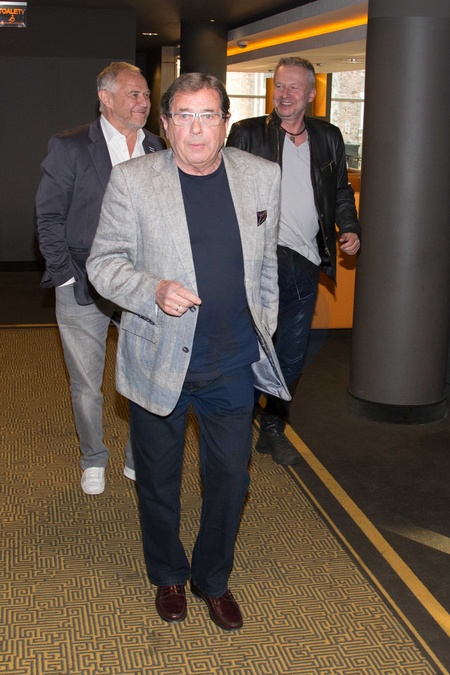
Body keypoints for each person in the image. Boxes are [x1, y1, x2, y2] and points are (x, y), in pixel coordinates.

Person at [86, 72, 288, 630]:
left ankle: (212, 579)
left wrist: (264, 324)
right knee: (158, 480)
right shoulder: (133, 181)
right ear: (166, 124)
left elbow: (267, 263)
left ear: (225, 123)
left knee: (231, 481)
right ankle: (169, 573)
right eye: (184, 116)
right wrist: (152, 290)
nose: (196, 130)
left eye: (208, 116)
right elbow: (103, 263)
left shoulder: (262, 176)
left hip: (233, 362)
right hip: (158, 358)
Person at [35, 62, 166, 495]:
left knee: (144, 377)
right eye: (134, 94)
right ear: (105, 98)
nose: (144, 102)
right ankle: (93, 458)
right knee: (87, 383)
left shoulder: (156, 147)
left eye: (146, 94)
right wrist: (63, 278)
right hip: (82, 284)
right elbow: (49, 216)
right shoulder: (70, 146)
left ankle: (135, 456)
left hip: (140, 286)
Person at [227, 56, 361, 466]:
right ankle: (237, 421)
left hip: (306, 261)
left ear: (311, 95)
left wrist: (349, 226)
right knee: (250, 345)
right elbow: (224, 189)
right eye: (279, 86)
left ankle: (272, 425)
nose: (284, 95)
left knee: (291, 353)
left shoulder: (328, 136)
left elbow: (339, 189)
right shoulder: (247, 133)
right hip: (260, 260)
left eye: (293, 88)